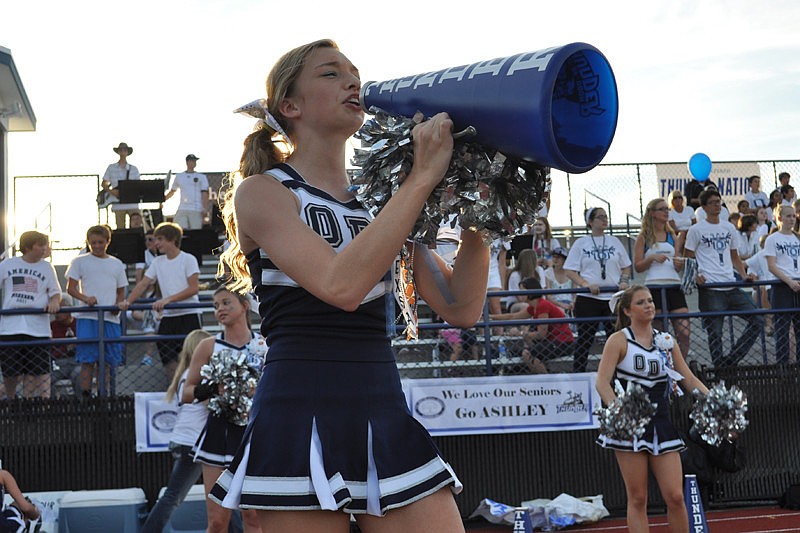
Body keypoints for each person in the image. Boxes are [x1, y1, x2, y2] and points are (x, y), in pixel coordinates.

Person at [208, 39, 489, 532]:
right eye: (331, 74)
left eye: (355, 73)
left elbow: (460, 306)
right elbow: (342, 286)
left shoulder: (385, 201)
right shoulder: (264, 192)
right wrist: (420, 180)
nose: (352, 82)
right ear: (289, 106)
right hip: (298, 410)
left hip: (382, 404)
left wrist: (483, 216)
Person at [595, 285, 707, 533]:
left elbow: (687, 378)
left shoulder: (666, 341)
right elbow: (602, 383)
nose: (649, 305)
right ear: (627, 310)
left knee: (676, 496)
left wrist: (713, 399)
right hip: (630, 427)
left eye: (650, 301)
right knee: (638, 499)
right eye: (641, 302)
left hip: (661, 423)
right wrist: (620, 411)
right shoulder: (619, 340)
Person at [184, 288, 265, 533]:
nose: (220, 309)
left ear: (244, 306)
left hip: (255, 435)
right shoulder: (209, 346)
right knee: (218, 522)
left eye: (226, 303)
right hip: (219, 435)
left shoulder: (263, 344)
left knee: (253, 518)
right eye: (216, 305)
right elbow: (186, 392)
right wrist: (213, 388)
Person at [140, 329, 214, 533]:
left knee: (221, 493)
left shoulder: (186, 374)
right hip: (193, 443)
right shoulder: (198, 375)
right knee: (173, 496)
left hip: (191, 442)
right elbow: (212, 405)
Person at [684, 188, 763, 367]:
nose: (717, 205)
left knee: (758, 319)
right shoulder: (696, 229)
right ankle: (720, 369)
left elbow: (734, 256)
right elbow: (688, 256)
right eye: (712, 202)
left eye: (718, 201)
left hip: (731, 283)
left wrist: (743, 275)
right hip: (711, 288)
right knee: (715, 333)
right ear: (703, 207)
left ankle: (731, 361)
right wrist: (695, 276)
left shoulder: (728, 227)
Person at [119, 222, 201, 381]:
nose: (156, 243)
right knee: (166, 355)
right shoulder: (158, 262)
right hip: (169, 317)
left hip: (189, 314)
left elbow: (193, 288)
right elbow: (143, 284)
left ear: (172, 240)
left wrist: (167, 299)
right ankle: (176, 388)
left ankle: (190, 391)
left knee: (192, 357)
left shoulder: (188, 259)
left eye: (160, 239)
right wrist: (127, 302)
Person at [564, 207, 632, 373]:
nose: (604, 220)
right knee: (585, 339)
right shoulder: (581, 243)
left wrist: (623, 281)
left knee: (615, 338)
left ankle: (619, 375)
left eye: (605, 216)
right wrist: (585, 284)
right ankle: (579, 374)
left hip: (613, 297)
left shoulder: (614, 241)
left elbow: (626, 266)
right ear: (590, 222)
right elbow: (569, 270)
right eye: (600, 217)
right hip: (589, 299)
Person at [66, 225, 128, 397]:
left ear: (108, 241)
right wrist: (85, 298)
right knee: (87, 360)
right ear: (88, 242)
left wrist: (117, 305)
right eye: (93, 242)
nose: (97, 246)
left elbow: (121, 290)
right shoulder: (79, 261)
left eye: (101, 242)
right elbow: (70, 288)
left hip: (110, 318)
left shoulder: (116, 264)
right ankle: (85, 397)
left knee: (106, 362)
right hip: (87, 317)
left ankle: (103, 396)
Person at [0, 230, 61, 399]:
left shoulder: (47, 267)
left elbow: (56, 292)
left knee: (36, 369)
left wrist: (54, 302)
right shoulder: (7, 264)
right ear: (28, 247)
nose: (45, 249)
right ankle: (11, 400)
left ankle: (29, 403)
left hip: (38, 328)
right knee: (10, 370)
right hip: (10, 327)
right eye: (41, 245)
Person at [633, 198, 690, 359]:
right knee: (657, 332)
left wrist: (680, 262)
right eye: (662, 209)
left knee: (684, 331)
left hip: (674, 285)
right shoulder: (643, 236)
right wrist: (651, 258)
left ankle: (681, 366)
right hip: (654, 286)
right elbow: (637, 266)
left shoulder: (672, 234)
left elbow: (678, 263)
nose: (666, 212)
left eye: (667, 209)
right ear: (652, 213)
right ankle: (660, 363)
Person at [490, 277, 574, 373]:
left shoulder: (542, 305)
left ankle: (548, 382)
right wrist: (491, 317)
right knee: (527, 348)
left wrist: (520, 333)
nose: (520, 293)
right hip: (552, 342)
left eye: (522, 290)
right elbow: (512, 316)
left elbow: (541, 334)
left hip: (562, 342)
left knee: (527, 353)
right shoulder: (533, 307)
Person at [764, 205, 800, 365]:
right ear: (780, 218)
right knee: (782, 330)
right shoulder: (773, 239)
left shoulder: (797, 237)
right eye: (788, 216)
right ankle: (783, 367)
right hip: (782, 286)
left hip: (798, 283)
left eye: (793, 216)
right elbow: (772, 265)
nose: (792, 219)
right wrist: (789, 281)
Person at [100, 142, 141, 229]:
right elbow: (104, 183)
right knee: (120, 228)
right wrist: (112, 192)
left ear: (127, 152)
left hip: (132, 202)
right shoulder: (111, 167)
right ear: (118, 152)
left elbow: (138, 185)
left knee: (136, 226)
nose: (123, 152)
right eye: (121, 150)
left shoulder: (134, 169)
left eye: (125, 150)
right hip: (117, 202)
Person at [164, 154, 210, 230]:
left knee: (196, 231)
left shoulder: (201, 176)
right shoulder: (179, 176)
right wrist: (163, 199)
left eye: (195, 161)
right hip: (182, 208)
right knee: (179, 229)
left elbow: (204, 193)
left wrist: (204, 208)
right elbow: (173, 191)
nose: (194, 163)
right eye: (192, 161)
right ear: (187, 162)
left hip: (196, 209)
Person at [50, 293, 79, 396]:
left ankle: (83, 407)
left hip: (76, 362)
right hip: (58, 364)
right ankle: (50, 408)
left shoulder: (79, 324)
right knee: (46, 380)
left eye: (60, 309)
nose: (57, 313)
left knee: (80, 375)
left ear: (69, 309)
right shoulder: (51, 326)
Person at [503, 249, 544, 313]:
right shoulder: (515, 275)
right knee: (526, 306)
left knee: (545, 306)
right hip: (515, 303)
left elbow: (543, 292)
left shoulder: (539, 270)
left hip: (535, 302)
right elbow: (520, 298)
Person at [544, 247, 575, 317]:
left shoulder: (571, 272)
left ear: (565, 259)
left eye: (558, 257)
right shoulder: (548, 272)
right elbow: (548, 296)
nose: (555, 259)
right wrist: (561, 305)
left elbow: (575, 294)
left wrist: (573, 303)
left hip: (570, 304)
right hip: (554, 304)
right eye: (553, 257)